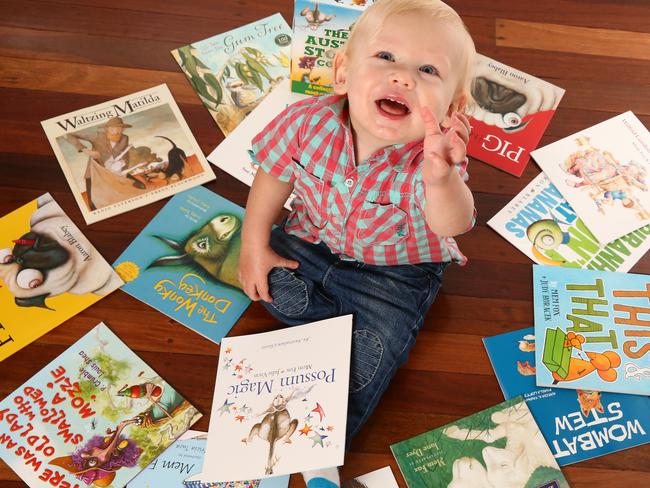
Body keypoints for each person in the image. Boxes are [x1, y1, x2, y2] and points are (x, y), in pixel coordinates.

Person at [240, 1, 476, 486]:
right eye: (386, 57)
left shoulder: (432, 160)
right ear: (344, 74)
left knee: (376, 345)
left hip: (395, 274)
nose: (404, 78)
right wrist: (253, 242)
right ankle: (319, 313)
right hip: (311, 241)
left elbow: (456, 223)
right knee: (262, 282)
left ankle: (319, 453)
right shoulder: (307, 121)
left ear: (451, 109)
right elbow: (273, 176)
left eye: (428, 70)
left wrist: (441, 178)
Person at [65, 116, 145, 209]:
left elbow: (125, 155)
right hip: (97, 170)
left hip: (115, 170)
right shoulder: (96, 136)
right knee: (93, 206)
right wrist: (85, 150)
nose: (117, 131)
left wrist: (124, 171)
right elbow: (68, 135)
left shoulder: (125, 138)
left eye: (120, 128)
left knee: (140, 187)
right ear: (107, 128)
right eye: (114, 128)